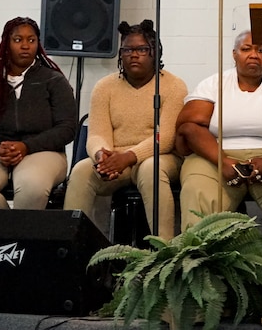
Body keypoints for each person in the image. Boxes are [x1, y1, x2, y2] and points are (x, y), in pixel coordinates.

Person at [64, 20, 186, 240]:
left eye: (141, 49)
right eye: (128, 49)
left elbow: (166, 138)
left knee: (151, 170)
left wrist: (129, 157)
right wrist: (103, 155)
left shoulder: (174, 86)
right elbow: (97, 134)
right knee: (82, 170)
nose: (134, 55)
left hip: (160, 157)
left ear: (155, 52)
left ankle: (165, 253)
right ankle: (73, 250)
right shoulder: (104, 87)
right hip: (116, 160)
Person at [176, 30, 262, 239]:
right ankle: (202, 266)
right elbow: (189, 127)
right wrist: (223, 161)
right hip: (215, 154)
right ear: (234, 54)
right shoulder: (213, 84)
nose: (254, 55)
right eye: (246, 49)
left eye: (261, 50)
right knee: (196, 193)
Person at [0, 17, 77, 209]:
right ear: (6, 43)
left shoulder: (54, 80)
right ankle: (8, 236)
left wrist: (26, 146)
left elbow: (67, 128)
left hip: (43, 150)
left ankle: (22, 238)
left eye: (31, 40)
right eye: (18, 40)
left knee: (32, 187)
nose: (25, 45)